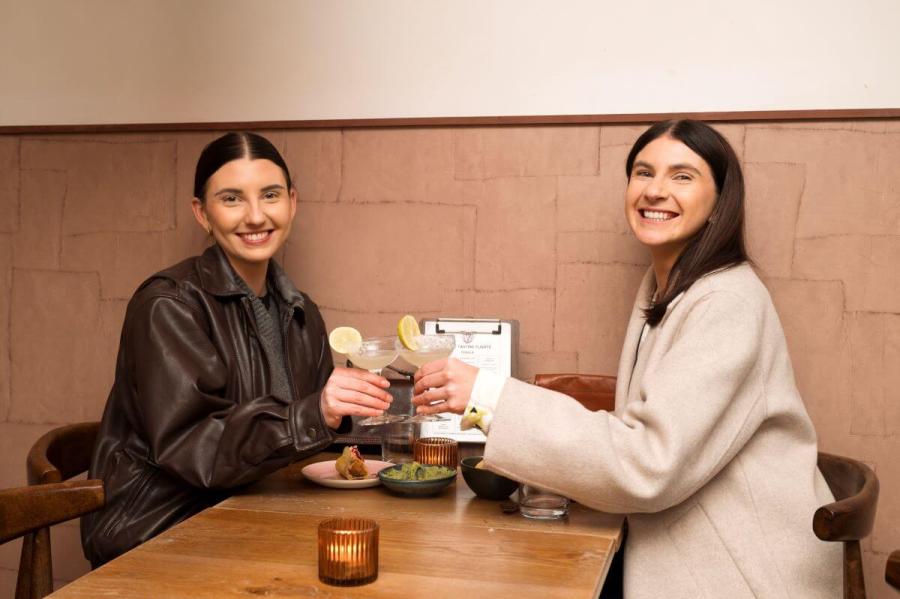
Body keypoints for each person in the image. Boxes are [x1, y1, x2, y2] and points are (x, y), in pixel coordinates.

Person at [412, 120, 842, 598]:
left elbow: (647, 463)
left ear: (721, 201)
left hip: (745, 572)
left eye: (682, 176)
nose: (655, 191)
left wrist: (487, 396)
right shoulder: (667, 285)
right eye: (643, 172)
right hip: (682, 543)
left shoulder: (729, 303)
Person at [82, 132, 393, 566]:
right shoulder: (167, 305)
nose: (255, 216)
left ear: (292, 203)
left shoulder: (301, 312)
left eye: (270, 195)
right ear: (202, 213)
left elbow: (310, 434)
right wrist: (314, 412)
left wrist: (380, 412)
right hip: (160, 530)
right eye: (231, 199)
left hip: (253, 514)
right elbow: (196, 447)